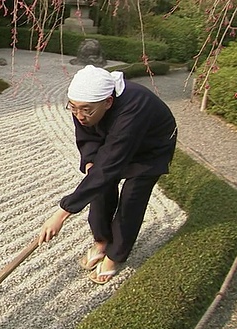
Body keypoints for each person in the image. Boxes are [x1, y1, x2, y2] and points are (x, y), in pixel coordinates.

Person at [37, 65, 178, 285]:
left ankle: (115, 256)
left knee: (131, 199)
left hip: (150, 149)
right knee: (98, 186)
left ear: (108, 102)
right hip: (116, 141)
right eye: (73, 108)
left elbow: (111, 164)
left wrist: (62, 212)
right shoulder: (85, 104)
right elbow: (88, 138)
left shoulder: (133, 107)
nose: (80, 116)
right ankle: (102, 241)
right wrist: (91, 159)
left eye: (86, 110)